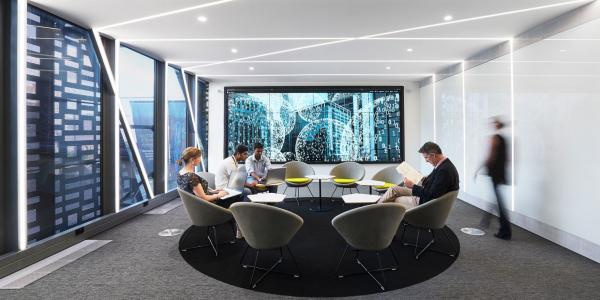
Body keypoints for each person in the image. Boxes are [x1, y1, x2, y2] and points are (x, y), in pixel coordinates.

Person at [378, 142, 459, 209]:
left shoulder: (444, 171)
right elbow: (435, 184)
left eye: (426, 157)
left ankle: (374, 212)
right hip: (424, 194)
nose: (426, 161)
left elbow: (431, 195)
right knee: (393, 189)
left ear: (433, 155)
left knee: (395, 199)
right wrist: (420, 178)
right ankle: (375, 208)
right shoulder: (443, 165)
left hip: (425, 202)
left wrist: (413, 186)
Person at [478, 118, 511, 240]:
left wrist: (480, 168)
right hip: (500, 172)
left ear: (497, 125)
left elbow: (490, 156)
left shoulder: (495, 138)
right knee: (496, 198)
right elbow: (507, 158)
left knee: (499, 202)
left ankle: (505, 231)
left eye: (493, 123)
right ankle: (486, 220)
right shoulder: (504, 139)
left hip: (495, 172)